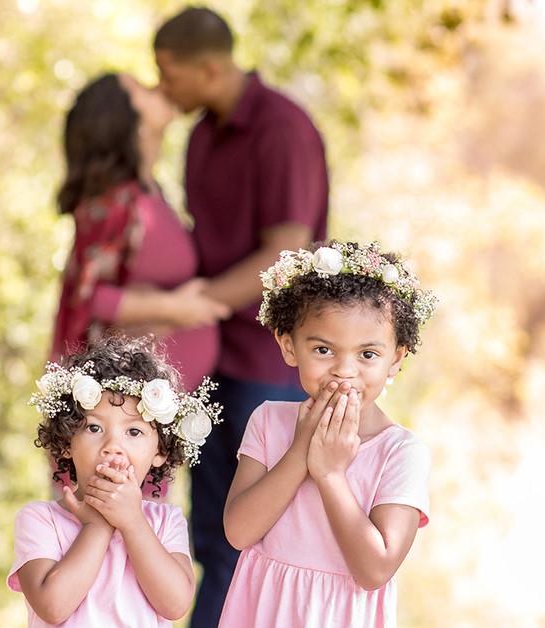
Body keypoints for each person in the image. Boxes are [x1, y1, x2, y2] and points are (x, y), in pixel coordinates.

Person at [153, 8, 330, 623]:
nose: (161, 88)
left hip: (266, 364)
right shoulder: (202, 136)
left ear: (209, 68)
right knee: (211, 537)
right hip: (207, 359)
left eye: (169, 74)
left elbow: (285, 253)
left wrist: (196, 303)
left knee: (257, 542)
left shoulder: (282, 129)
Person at [219, 241, 436, 627]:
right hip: (263, 611)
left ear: (396, 359)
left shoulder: (401, 452)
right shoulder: (268, 420)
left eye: (367, 354)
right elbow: (238, 532)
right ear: (289, 346)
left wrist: (331, 474)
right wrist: (300, 450)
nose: (344, 370)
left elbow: (375, 570)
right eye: (323, 350)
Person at [8, 335, 223, 626]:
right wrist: (97, 524)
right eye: (94, 428)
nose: (113, 446)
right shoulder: (40, 519)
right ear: (67, 441)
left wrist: (132, 521)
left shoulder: (165, 521)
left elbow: (176, 606)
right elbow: (53, 607)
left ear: (160, 451)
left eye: (133, 432)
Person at [51, 72, 230, 392]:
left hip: (173, 397)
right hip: (132, 404)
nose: (159, 87)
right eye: (144, 89)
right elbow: (89, 297)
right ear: (127, 121)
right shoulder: (113, 203)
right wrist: (173, 308)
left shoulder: (151, 192)